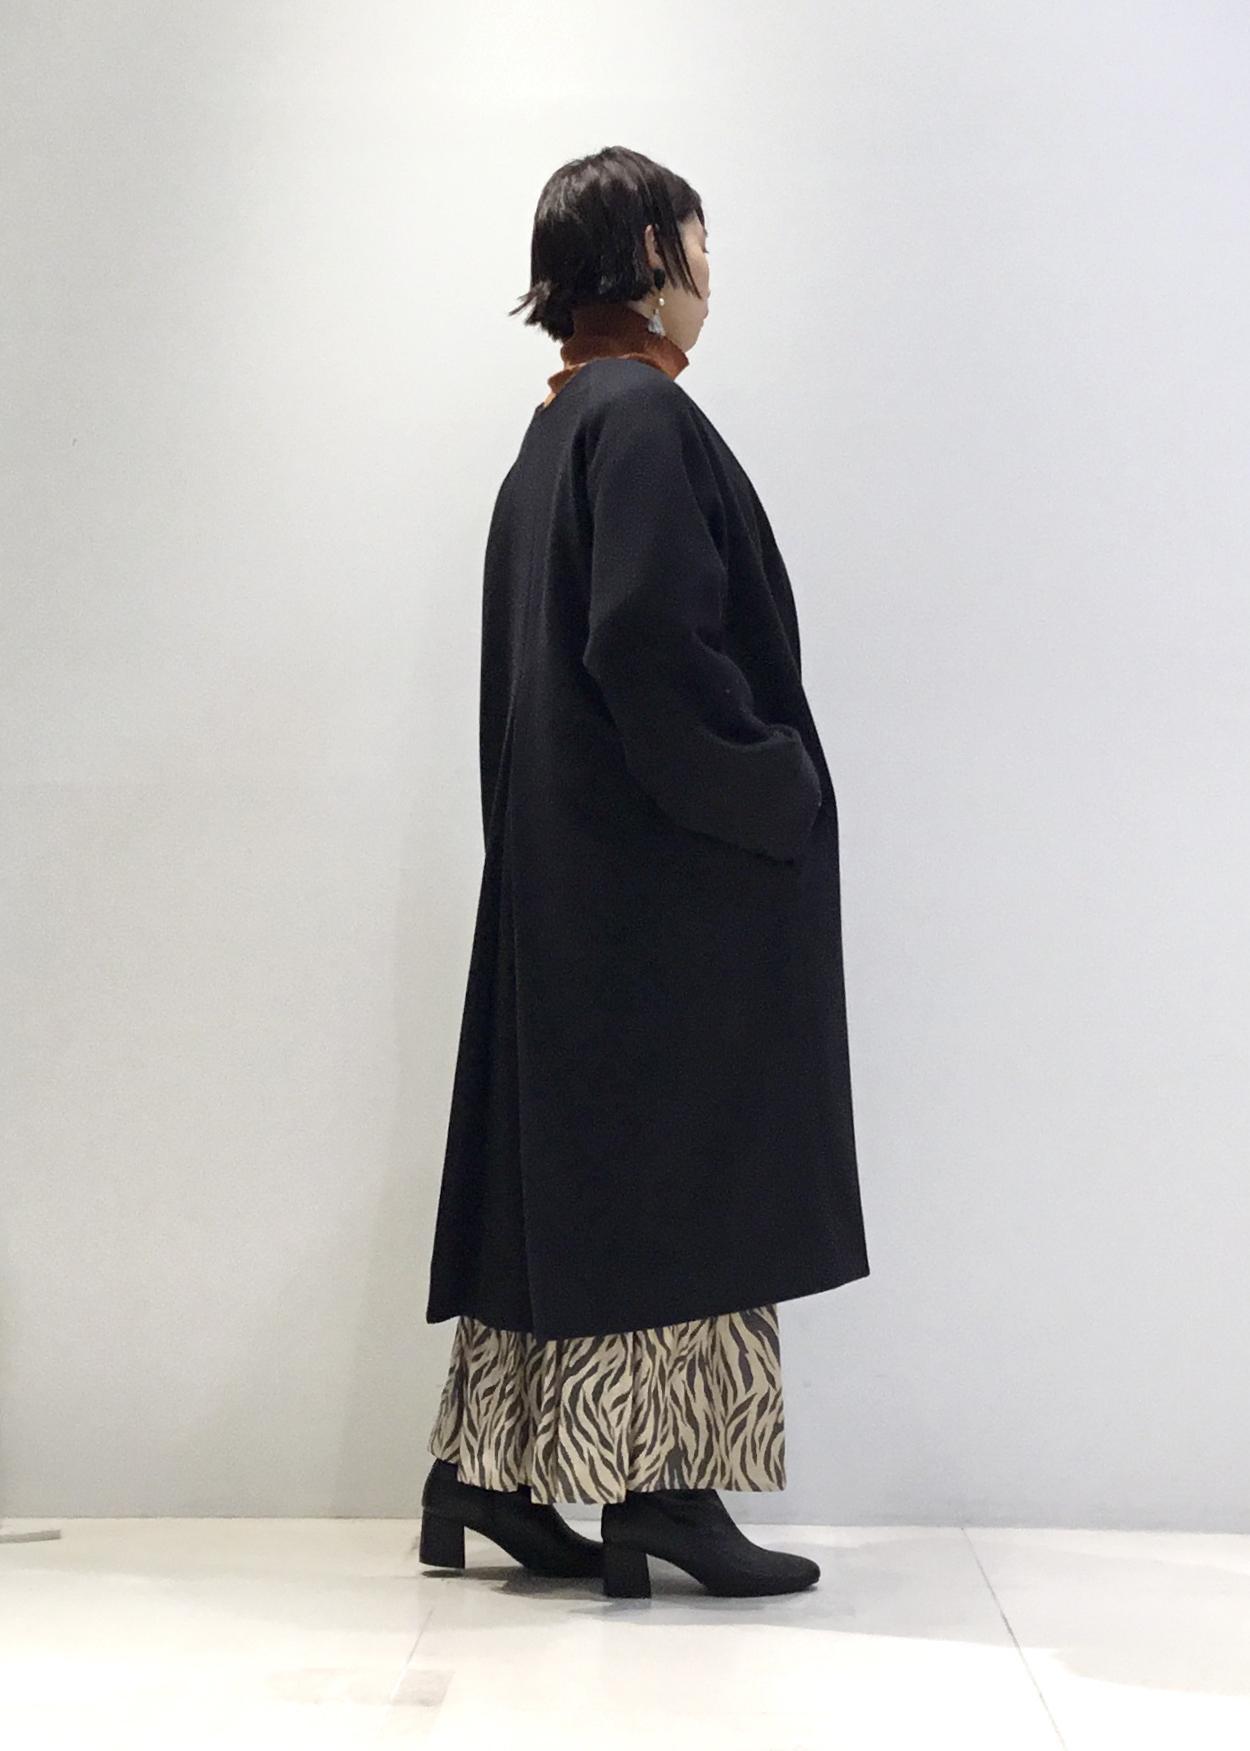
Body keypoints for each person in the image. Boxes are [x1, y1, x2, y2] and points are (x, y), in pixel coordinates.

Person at [419, 146, 869, 1600]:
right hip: (665, 891)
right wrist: (772, 783)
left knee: (571, 1182)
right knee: (689, 1175)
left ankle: (486, 1473)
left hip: (579, 890)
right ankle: (664, 1493)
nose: (711, 276)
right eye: (699, 244)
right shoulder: (641, 420)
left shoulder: (557, 430)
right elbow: (649, 646)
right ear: (654, 258)